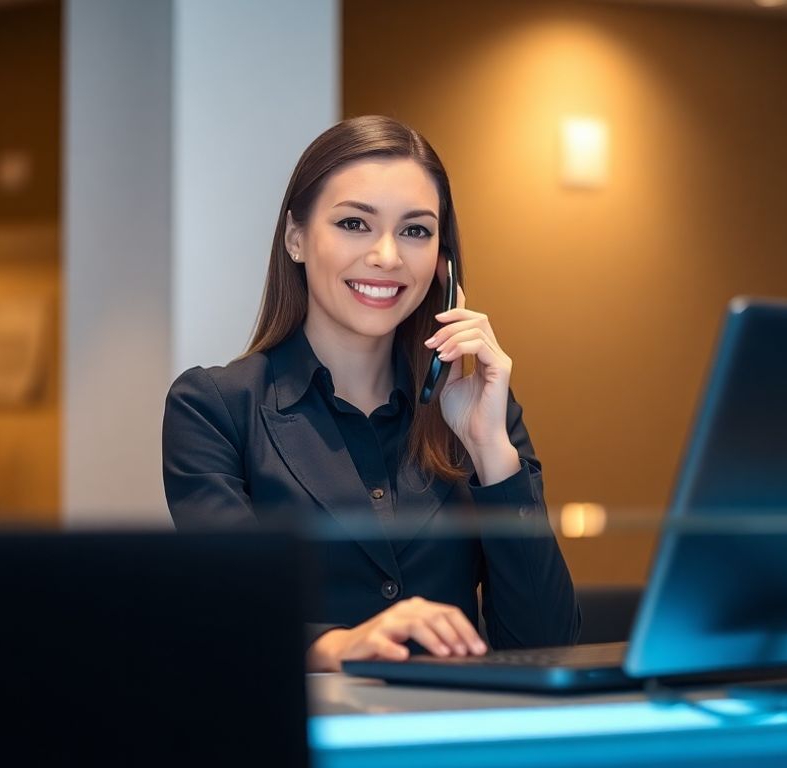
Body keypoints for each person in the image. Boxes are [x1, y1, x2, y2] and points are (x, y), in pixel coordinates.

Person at [163, 115, 579, 672]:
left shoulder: (480, 409)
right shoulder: (214, 407)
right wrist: (340, 646)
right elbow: (225, 610)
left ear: (443, 265)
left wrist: (491, 452)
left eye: (415, 231)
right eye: (355, 224)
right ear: (296, 238)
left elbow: (546, 641)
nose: (387, 256)